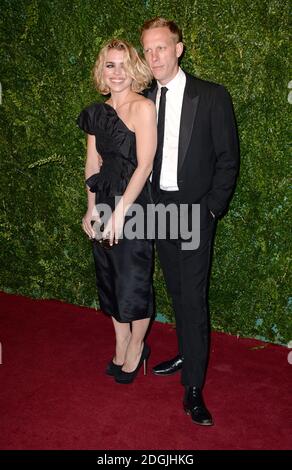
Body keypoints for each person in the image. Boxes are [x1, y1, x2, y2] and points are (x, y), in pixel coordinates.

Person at [141, 18, 239, 425]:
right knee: (177, 290)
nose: (154, 56)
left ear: (179, 49)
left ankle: (193, 387)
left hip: (196, 212)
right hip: (159, 210)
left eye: (161, 47)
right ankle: (187, 351)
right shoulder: (144, 98)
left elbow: (228, 158)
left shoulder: (212, 96)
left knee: (194, 299)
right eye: (147, 50)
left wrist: (212, 208)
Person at [77, 39, 157, 384]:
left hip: (135, 203)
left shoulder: (143, 108)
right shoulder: (96, 112)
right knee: (109, 278)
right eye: (111, 65)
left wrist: (122, 213)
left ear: (135, 68)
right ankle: (121, 339)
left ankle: (138, 344)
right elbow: (92, 162)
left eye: (124, 64)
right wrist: (92, 208)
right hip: (106, 197)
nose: (118, 72)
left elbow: (145, 166)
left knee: (133, 282)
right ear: (102, 71)